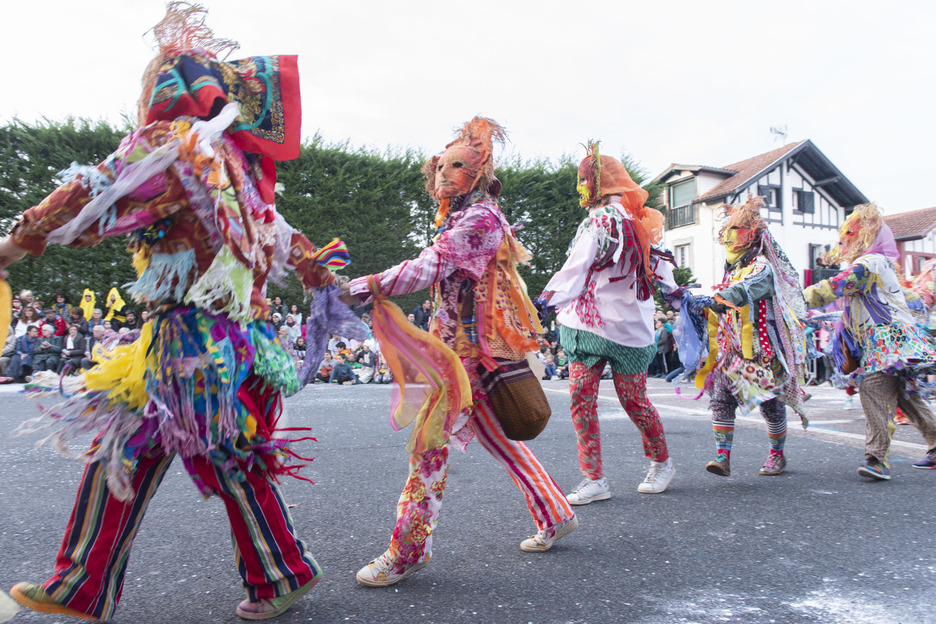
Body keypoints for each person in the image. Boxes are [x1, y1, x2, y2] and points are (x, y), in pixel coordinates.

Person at [1, 5, 345, 620]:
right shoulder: (235, 163)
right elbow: (284, 238)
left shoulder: (169, 143)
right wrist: (319, 270)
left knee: (211, 453)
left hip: (189, 340)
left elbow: (94, 188)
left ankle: (271, 570)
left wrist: (12, 243)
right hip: (232, 339)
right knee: (144, 445)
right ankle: (91, 584)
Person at [345, 117, 576, 588]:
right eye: (441, 166)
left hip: (468, 357)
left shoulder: (481, 217)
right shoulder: (463, 215)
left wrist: (365, 286)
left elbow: (432, 265)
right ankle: (555, 512)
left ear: (480, 173)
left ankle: (407, 550)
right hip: (460, 351)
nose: (444, 174)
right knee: (497, 439)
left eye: (458, 166)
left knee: (427, 448)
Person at [541, 142, 677, 503]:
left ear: (596, 185)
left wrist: (543, 301)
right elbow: (664, 273)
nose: (579, 189)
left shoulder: (601, 221)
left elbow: (576, 268)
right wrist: (680, 295)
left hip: (589, 325)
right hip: (626, 327)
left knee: (581, 399)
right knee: (634, 401)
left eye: (582, 181)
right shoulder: (644, 221)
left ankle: (595, 478)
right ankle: (659, 464)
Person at [803, 203, 936, 478]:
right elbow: (910, 301)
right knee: (904, 395)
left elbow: (835, 286)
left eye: (849, 234)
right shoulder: (884, 264)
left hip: (887, 343)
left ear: (863, 236)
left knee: (873, 389)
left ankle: (876, 459)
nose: (844, 241)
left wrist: (793, 297)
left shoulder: (868, 264)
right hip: (898, 342)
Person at [693, 196, 809, 477]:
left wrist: (721, 299)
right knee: (720, 396)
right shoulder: (732, 270)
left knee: (769, 403)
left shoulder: (762, 267)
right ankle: (722, 457)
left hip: (762, 349)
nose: (730, 237)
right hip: (731, 348)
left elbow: (747, 289)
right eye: (728, 230)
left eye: (738, 230)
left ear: (752, 234)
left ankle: (777, 455)